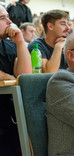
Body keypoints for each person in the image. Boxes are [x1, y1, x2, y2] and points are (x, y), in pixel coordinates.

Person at [0, 5, 32, 155]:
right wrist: (10, 77)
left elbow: (24, 76)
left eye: (8, 16)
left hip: (10, 116)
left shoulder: (9, 44)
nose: (9, 22)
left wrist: (20, 42)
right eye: (2, 18)